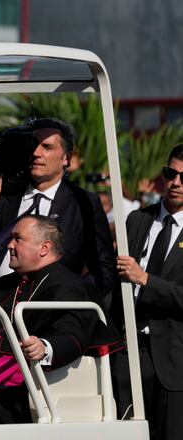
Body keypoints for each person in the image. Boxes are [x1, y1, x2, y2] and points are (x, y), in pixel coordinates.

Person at [0, 215, 121, 424]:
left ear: (44, 247)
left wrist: (45, 347)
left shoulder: (71, 287)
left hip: (33, 389)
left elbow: (72, 332)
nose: (9, 245)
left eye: (17, 239)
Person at [0, 118, 117, 308]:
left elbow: (104, 269)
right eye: (32, 145)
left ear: (67, 158)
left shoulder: (84, 203)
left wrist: (69, 298)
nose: (36, 153)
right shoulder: (2, 196)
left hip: (50, 312)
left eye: (47, 147)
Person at [116, 144, 183, 440]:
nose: (176, 182)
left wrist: (146, 280)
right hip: (129, 354)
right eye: (171, 173)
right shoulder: (138, 219)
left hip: (174, 359)